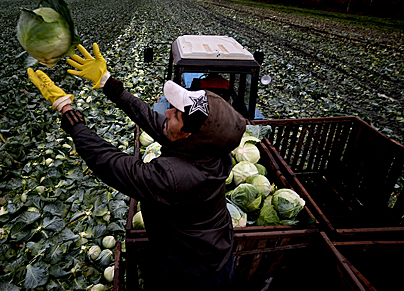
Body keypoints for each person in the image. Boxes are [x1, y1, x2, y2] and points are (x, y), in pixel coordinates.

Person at [28, 43, 246, 291]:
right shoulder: (207, 149)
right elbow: (149, 117)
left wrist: (69, 114)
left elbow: (113, 164)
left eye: (176, 114)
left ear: (188, 134)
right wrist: (107, 82)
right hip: (208, 255)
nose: (168, 112)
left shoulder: (177, 178)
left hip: (194, 275)